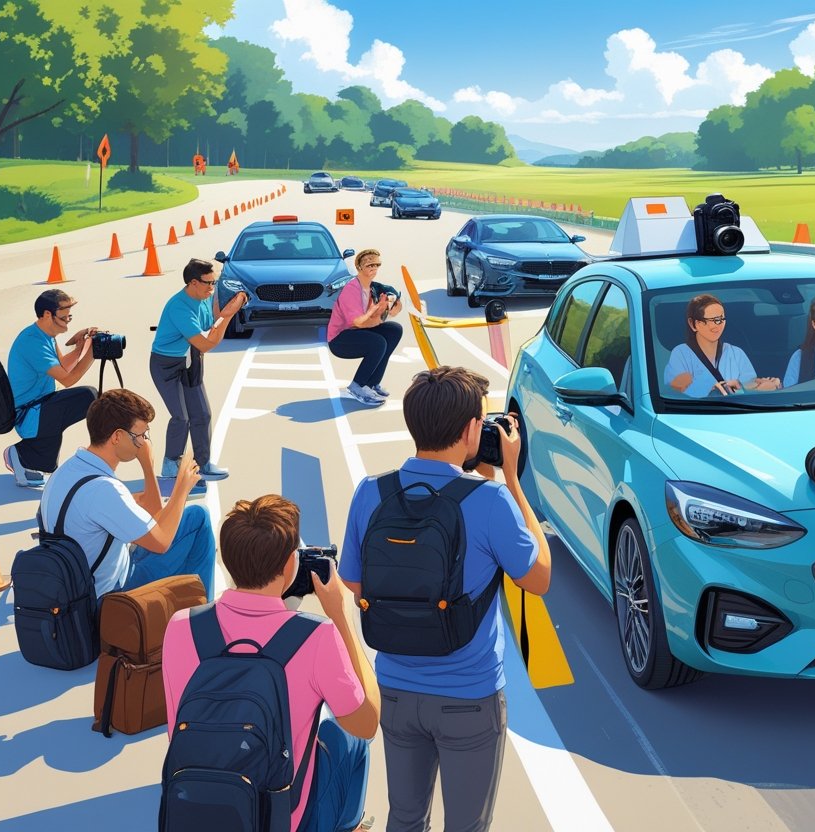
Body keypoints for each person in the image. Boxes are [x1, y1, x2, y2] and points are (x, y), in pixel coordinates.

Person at [339, 366, 551, 832]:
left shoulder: (371, 492)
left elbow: (354, 584)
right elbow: (538, 578)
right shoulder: (492, 500)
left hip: (396, 689)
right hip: (468, 697)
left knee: (405, 817)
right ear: (472, 429)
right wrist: (512, 480)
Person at [162, 495, 381, 832]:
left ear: (227, 560)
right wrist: (340, 616)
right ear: (290, 563)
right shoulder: (316, 636)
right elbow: (367, 723)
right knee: (346, 738)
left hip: (193, 802)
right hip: (279, 819)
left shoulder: (180, 626)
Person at [39, 388, 215, 599]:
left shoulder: (67, 470)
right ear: (117, 436)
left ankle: (189, 600)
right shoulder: (106, 490)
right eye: (139, 436)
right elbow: (161, 542)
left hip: (75, 584)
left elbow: (153, 514)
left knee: (190, 518)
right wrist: (181, 488)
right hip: (111, 593)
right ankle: (202, 611)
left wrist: (147, 466)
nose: (143, 443)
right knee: (199, 519)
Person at [150, 258, 246, 481]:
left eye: (215, 282)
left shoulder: (205, 296)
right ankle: (170, 465)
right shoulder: (179, 307)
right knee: (181, 417)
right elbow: (205, 344)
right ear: (193, 283)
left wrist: (234, 302)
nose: (213, 288)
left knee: (202, 414)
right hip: (166, 364)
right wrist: (229, 315)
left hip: (190, 360)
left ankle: (203, 464)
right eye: (209, 283)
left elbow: (213, 320)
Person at [4, 289, 100, 487]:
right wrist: (93, 352)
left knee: (46, 463)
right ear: (47, 314)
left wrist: (80, 347)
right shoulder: (33, 343)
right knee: (88, 395)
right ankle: (20, 454)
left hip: (40, 404)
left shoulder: (46, 335)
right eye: (64, 318)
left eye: (69, 317)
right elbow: (68, 379)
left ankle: (30, 453)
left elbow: (62, 366)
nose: (67, 322)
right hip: (29, 414)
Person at [327, 249, 404, 408]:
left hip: (357, 332)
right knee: (378, 342)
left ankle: (371, 383)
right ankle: (357, 386)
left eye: (376, 265)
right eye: (369, 265)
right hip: (340, 339)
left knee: (394, 330)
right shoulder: (351, 289)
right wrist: (376, 314)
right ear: (359, 267)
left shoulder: (373, 287)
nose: (374, 268)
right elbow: (358, 322)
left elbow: (392, 292)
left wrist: (395, 303)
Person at [664, 294, 780, 397]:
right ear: (693, 324)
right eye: (711, 320)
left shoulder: (736, 353)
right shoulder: (681, 354)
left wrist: (768, 386)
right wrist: (711, 389)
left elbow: (750, 389)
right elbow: (676, 390)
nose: (716, 325)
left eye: (720, 319)